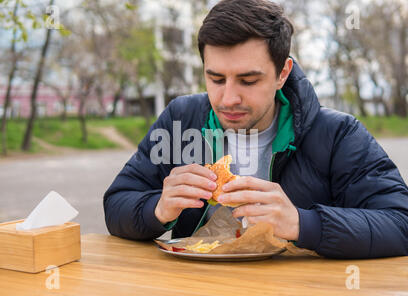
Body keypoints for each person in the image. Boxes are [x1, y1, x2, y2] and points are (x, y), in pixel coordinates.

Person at [103, 0, 408, 259]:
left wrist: (304, 224)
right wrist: (157, 208)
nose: (228, 98)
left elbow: (400, 223)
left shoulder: (338, 133)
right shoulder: (180, 119)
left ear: (282, 73)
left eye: (248, 81)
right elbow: (116, 205)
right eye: (216, 79)